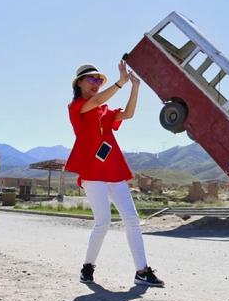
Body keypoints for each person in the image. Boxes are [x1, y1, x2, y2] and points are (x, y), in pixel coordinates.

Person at [65, 61, 164, 287]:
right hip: (92, 171)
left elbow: (128, 114)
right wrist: (121, 82)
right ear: (79, 83)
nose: (97, 83)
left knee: (132, 219)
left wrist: (134, 87)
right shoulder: (77, 107)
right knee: (103, 221)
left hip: (113, 169)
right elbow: (96, 101)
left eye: (99, 80)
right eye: (92, 79)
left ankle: (142, 271)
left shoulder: (104, 110)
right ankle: (88, 266)